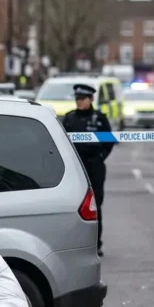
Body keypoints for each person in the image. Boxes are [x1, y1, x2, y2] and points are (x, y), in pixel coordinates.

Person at [62, 83, 114, 256]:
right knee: (73, 204)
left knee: (95, 205)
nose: (79, 102)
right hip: (75, 166)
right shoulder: (69, 118)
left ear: (91, 99)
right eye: (77, 99)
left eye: (83, 99)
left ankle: (95, 243)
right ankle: (74, 243)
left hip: (94, 166)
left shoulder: (100, 119)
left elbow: (109, 141)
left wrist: (100, 158)